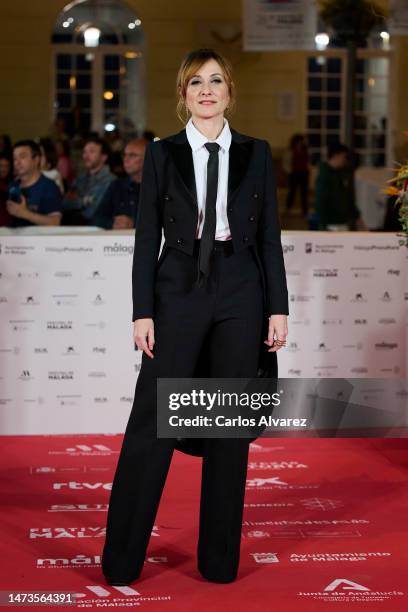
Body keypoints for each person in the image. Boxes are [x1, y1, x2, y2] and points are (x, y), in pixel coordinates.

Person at [101, 48, 289, 586]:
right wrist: (143, 310)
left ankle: (219, 562)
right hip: (178, 287)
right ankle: (122, 561)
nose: (206, 90)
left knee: (227, 428)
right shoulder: (163, 154)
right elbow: (145, 240)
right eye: (195, 83)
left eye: (215, 81)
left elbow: (270, 235)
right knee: (152, 424)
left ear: (229, 89)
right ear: (183, 96)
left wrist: (278, 305)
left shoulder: (258, 151)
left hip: (242, 290)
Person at [6, 140, 62, 227]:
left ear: (36, 160)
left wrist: (25, 214)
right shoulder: (12, 186)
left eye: (22, 157)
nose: (17, 162)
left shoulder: (49, 187)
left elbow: (55, 222)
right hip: (13, 238)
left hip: (38, 239)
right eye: (14, 158)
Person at [314, 143, 367, 231]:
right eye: (344, 157)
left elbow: (347, 199)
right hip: (331, 225)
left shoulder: (339, 174)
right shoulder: (325, 176)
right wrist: (324, 224)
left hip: (341, 222)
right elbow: (320, 202)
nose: (345, 160)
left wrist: (357, 218)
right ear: (336, 156)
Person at [62, 137, 115, 226]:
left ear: (103, 157)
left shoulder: (111, 181)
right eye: (85, 152)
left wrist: (77, 200)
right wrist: (84, 201)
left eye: (91, 151)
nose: (86, 156)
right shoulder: (80, 179)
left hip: (97, 231)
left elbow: (92, 213)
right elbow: (64, 204)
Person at [99, 138, 148, 229]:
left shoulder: (162, 187)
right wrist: (113, 223)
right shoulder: (116, 185)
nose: (125, 159)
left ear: (149, 158)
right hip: (117, 241)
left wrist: (134, 223)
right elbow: (97, 218)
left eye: (132, 155)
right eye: (124, 155)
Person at [282, 133, 310, 215]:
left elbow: (308, 161)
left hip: (304, 173)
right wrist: (289, 171)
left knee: (304, 193)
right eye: (300, 140)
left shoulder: (305, 150)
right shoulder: (290, 151)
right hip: (294, 173)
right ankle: (288, 208)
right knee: (292, 192)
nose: (302, 142)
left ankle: (305, 211)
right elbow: (285, 163)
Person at [0, 154, 13, 226]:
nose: (3, 169)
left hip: (9, 228)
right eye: (1, 165)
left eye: (6, 166)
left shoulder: (14, 183)